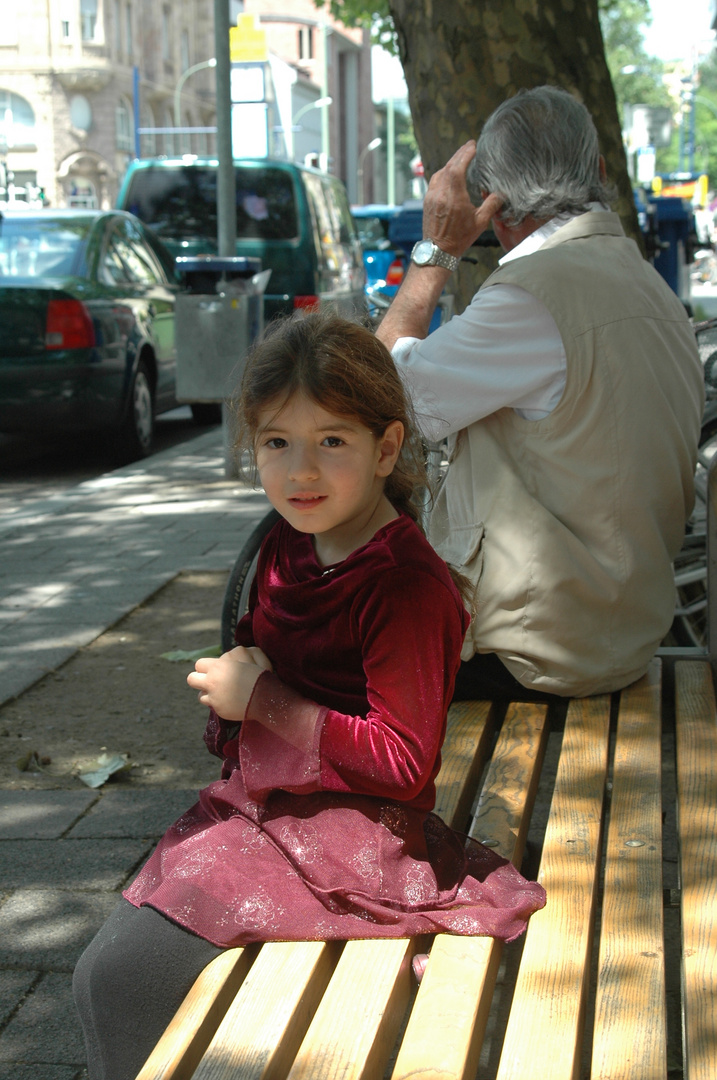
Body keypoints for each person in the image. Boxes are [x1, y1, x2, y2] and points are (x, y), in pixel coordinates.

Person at [73, 312, 546, 1080]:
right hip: (271, 809)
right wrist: (238, 700)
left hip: (348, 838)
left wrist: (259, 698)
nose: (301, 472)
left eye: (331, 441)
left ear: (386, 448)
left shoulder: (402, 586)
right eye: (276, 443)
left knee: (119, 977)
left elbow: (401, 762)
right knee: (111, 978)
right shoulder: (287, 545)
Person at [377, 85, 705, 700]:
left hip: (542, 651)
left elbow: (375, 390)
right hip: (625, 633)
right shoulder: (650, 287)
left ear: (492, 203)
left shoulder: (531, 296)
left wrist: (435, 253)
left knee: (319, 657)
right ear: (601, 172)